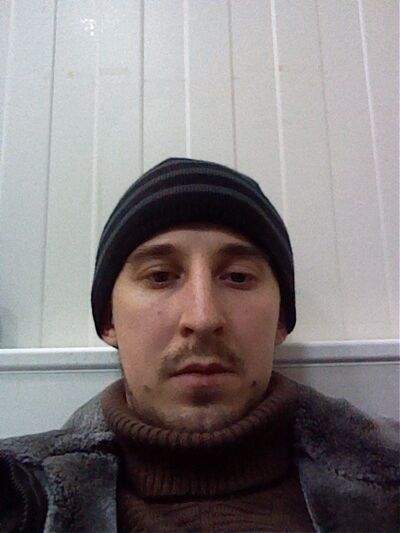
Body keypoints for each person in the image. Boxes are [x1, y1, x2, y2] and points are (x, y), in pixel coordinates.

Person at [0, 157, 398, 532]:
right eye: (159, 276)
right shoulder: (16, 494)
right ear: (108, 320)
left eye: (238, 277)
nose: (203, 318)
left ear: (281, 319)